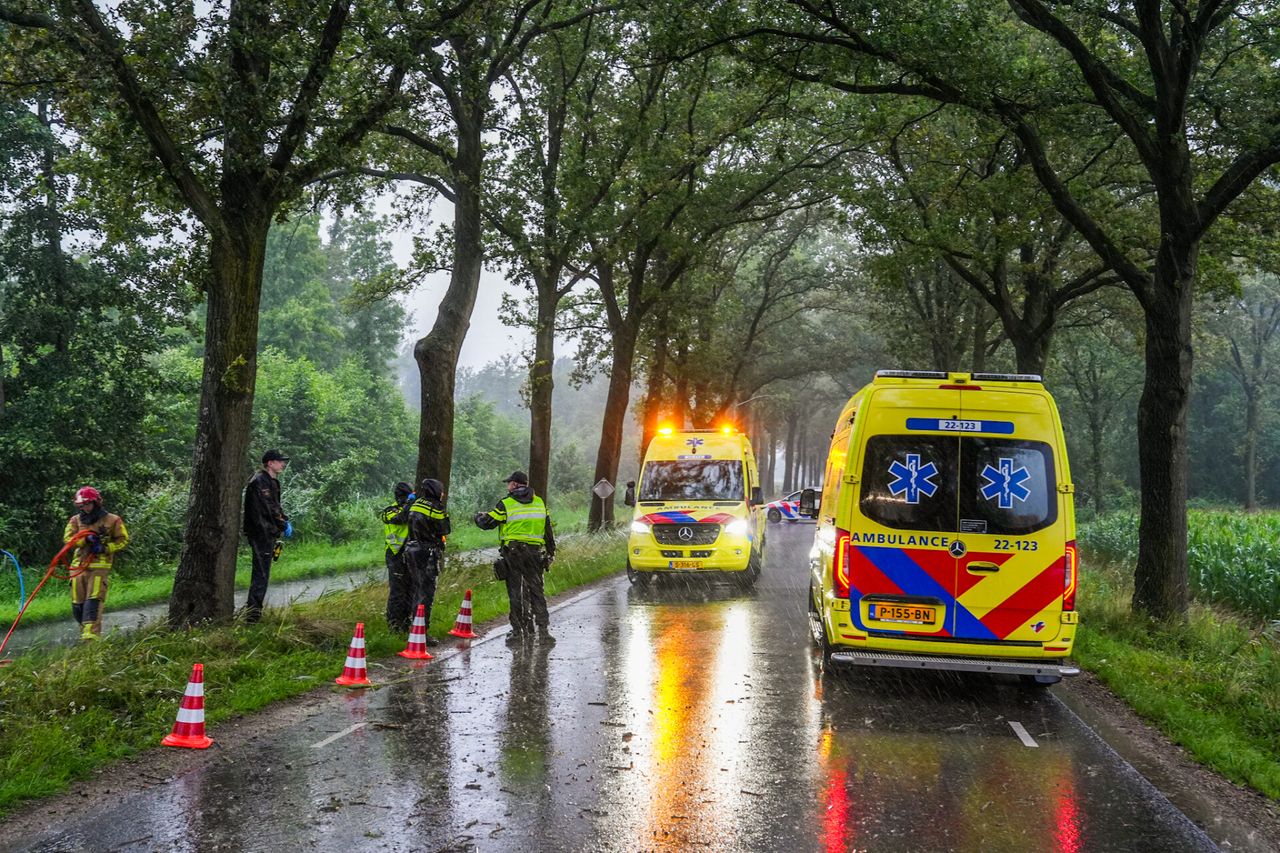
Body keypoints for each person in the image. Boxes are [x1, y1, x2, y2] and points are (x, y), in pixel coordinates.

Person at [474, 471, 556, 646]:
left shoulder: (506, 504)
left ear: (516, 485)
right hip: (535, 554)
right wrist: (551, 552)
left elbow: (487, 523)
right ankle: (544, 632)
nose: (507, 486)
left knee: (516, 593)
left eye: (509, 483)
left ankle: (518, 633)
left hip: (514, 554)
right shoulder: (540, 502)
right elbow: (548, 530)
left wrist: (478, 517)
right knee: (537, 592)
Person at [64, 486, 129, 640]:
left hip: (99, 567)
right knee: (77, 605)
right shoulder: (75, 520)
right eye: (81, 505)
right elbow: (68, 539)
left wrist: (105, 548)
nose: (84, 508)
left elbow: (123, 539)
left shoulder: (113, 520)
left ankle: (91, 640)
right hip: (78, 567)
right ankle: (84, 635)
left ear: (96, 502)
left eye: (87, 504)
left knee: (93, 602)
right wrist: (84, 539)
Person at [242, 449, 290, 623]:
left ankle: (254, 613)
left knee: (263, 575)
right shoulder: (260, 481)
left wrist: (284, 520)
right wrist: (283, 523)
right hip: (260, 533)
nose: (282, 464)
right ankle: (252, 618)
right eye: (279, 461)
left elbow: (276, 506)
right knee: (260, 576)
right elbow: (269, 507)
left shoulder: (272, 481)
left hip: (268, 532)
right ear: (270, 463)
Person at [405, 478, 450, 645]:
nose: (443, 493)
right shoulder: (436, 507)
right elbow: (445, 529)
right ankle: (422, 633)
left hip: (411, 551)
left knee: (416, 590)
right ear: (436, 491)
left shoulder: (416, 504)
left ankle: (414, 628)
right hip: (427, 553)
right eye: (441, 490)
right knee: (426, 593)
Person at [381, 481, 416, 633]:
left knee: (410, 590)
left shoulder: (413, 509)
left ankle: (406, 623)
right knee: (397, 592)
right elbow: (401, 518)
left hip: (410, 555)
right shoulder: (390, 511)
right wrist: (409, 503)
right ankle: (394, 626)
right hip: (395, 555)